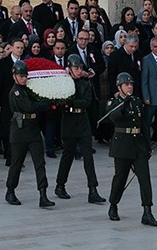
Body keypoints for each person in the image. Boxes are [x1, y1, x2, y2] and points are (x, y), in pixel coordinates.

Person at [106, 72, 157, 226]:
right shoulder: (114, 102)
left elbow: (143, 124)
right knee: (120, 178)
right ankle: (113, 205)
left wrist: (148, 145)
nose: (129, 87)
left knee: (144, 178)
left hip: (138, 144)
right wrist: (124, 102)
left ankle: (147, 212)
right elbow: (114, 117)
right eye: (126, 84)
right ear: (119, 87)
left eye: (131, 84)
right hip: (122, 145)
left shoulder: (137, 101)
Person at [54, 54, 105, 204]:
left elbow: (86, 101)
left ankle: (93, 189)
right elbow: (62, 101)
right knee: (67, 156)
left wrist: (72, 103)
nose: (79, 70)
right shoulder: (64, 81)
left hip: (82, 120)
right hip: (69, 121)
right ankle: (60, 185)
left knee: (88, 156)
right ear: (69, 68)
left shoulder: (85, 81)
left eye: (81, 67)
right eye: (76, 67)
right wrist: (70, 103)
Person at [4, 60, 55, 208]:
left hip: (32, 129)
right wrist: (46, 104)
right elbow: (29, 106)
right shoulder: (16, 92)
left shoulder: (29, 89)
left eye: (25, 76)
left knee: (40, 163)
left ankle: (43, 194)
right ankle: (10, 190)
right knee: (17, 163)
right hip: (20, 130)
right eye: (21, 76)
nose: (24, 78)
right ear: (14, 76)